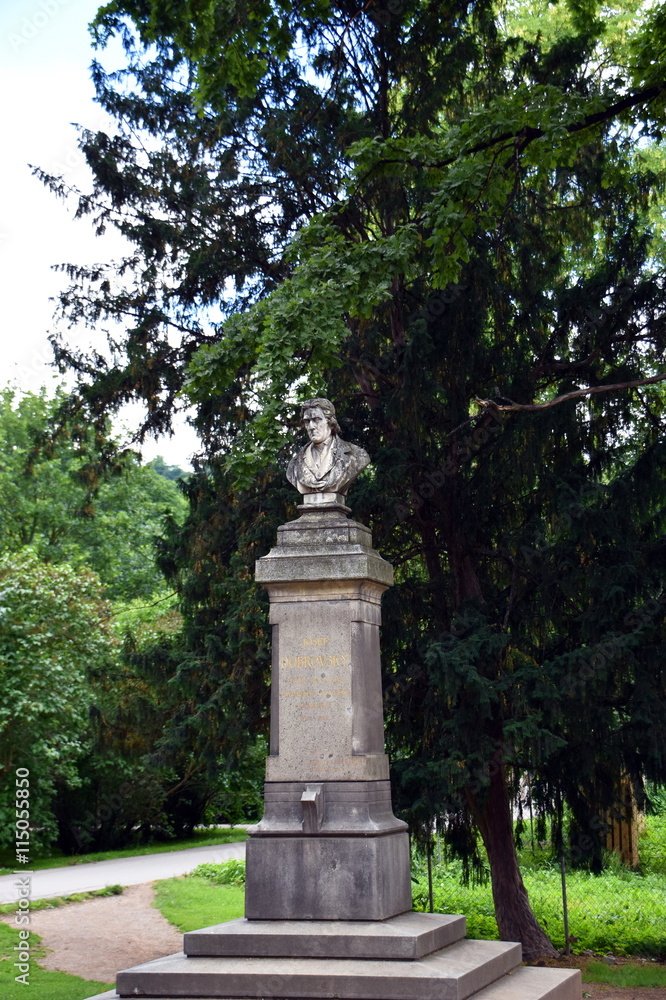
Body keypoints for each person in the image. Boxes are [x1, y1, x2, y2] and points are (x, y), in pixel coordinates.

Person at [286, 398, 370, 496]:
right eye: (307, 421)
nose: (311, 426)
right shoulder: (294, 465)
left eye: (317, 420)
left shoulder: (357, 455)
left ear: (330, 421)